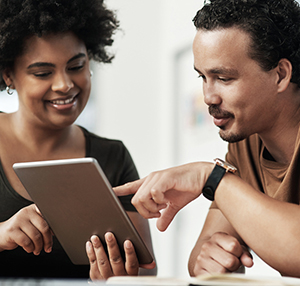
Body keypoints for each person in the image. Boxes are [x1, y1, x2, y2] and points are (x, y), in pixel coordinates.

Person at [114, 0, 300, 279]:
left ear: (280, 75)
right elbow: (200, 256)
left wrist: (210, 178)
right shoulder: (244, 143)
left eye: (224, 78)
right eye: (203, 77)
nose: (209, 97)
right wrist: (210, 258)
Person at [0, 0, 156, 280]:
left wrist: (119, 279)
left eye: (76, 66)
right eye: (43, 73)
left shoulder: (113, 156)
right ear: (8, 75)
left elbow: (147, 272)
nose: (65, 84)